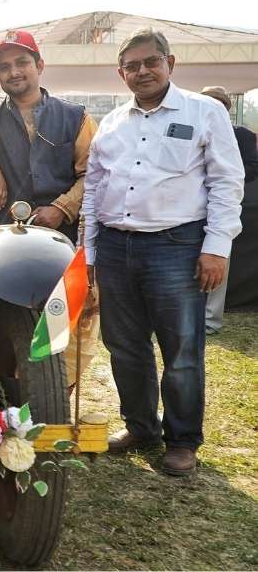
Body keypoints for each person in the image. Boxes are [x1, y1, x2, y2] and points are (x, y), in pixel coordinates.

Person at [83, 29, 244, 476]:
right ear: (121, 73)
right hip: (116, 248)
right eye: (132, 66)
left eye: (150, 62)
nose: (142, 71)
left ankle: (182, 440)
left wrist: (216, 248)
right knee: (124, 346)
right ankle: (141, 427)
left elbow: (227, 183)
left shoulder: (205, 111)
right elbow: (94, 189)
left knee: (182, 350)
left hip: (176, 246)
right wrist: (90, 252)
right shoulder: (113, 123)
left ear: (169, 63)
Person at [0, 29, 100, 388]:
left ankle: (51, 403)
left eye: (22, 62)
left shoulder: (76, 117)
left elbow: (95, 173)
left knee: (57, 321)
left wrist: (61, 207)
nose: (13, 72)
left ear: (39, 64)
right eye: (4, 67)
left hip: (58, 241)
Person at [199, 86, 258, 335]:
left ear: (227, 108)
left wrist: (228, 182)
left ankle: (210, 320)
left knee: (218, 258)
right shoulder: (190, 131)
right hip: (190, 207)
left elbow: (252, 167)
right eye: (209, 103)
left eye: (219, 104)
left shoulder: (242, 135)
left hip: (224, 208)